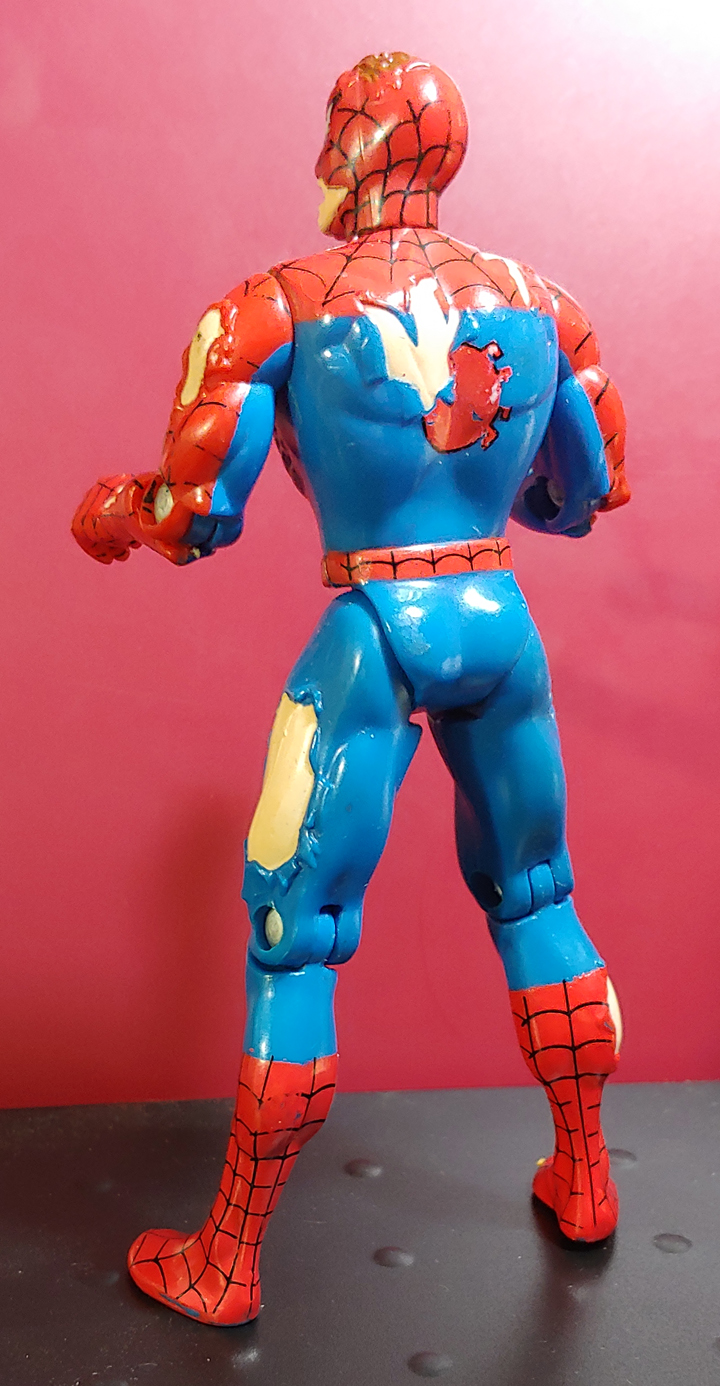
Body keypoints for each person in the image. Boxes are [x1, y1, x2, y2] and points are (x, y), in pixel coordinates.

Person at [73, 51, 630, 1326]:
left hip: (372, 631)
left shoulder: (269, 311)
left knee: (299, 933)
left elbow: (196, 516)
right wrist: (475, 474)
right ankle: (589, 1179)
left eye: (335, 135)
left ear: (354, 150)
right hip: (496, 622)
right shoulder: (545, 305)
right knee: (540, 897)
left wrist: (112, 512)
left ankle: (228, 1259)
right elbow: (579, 499)